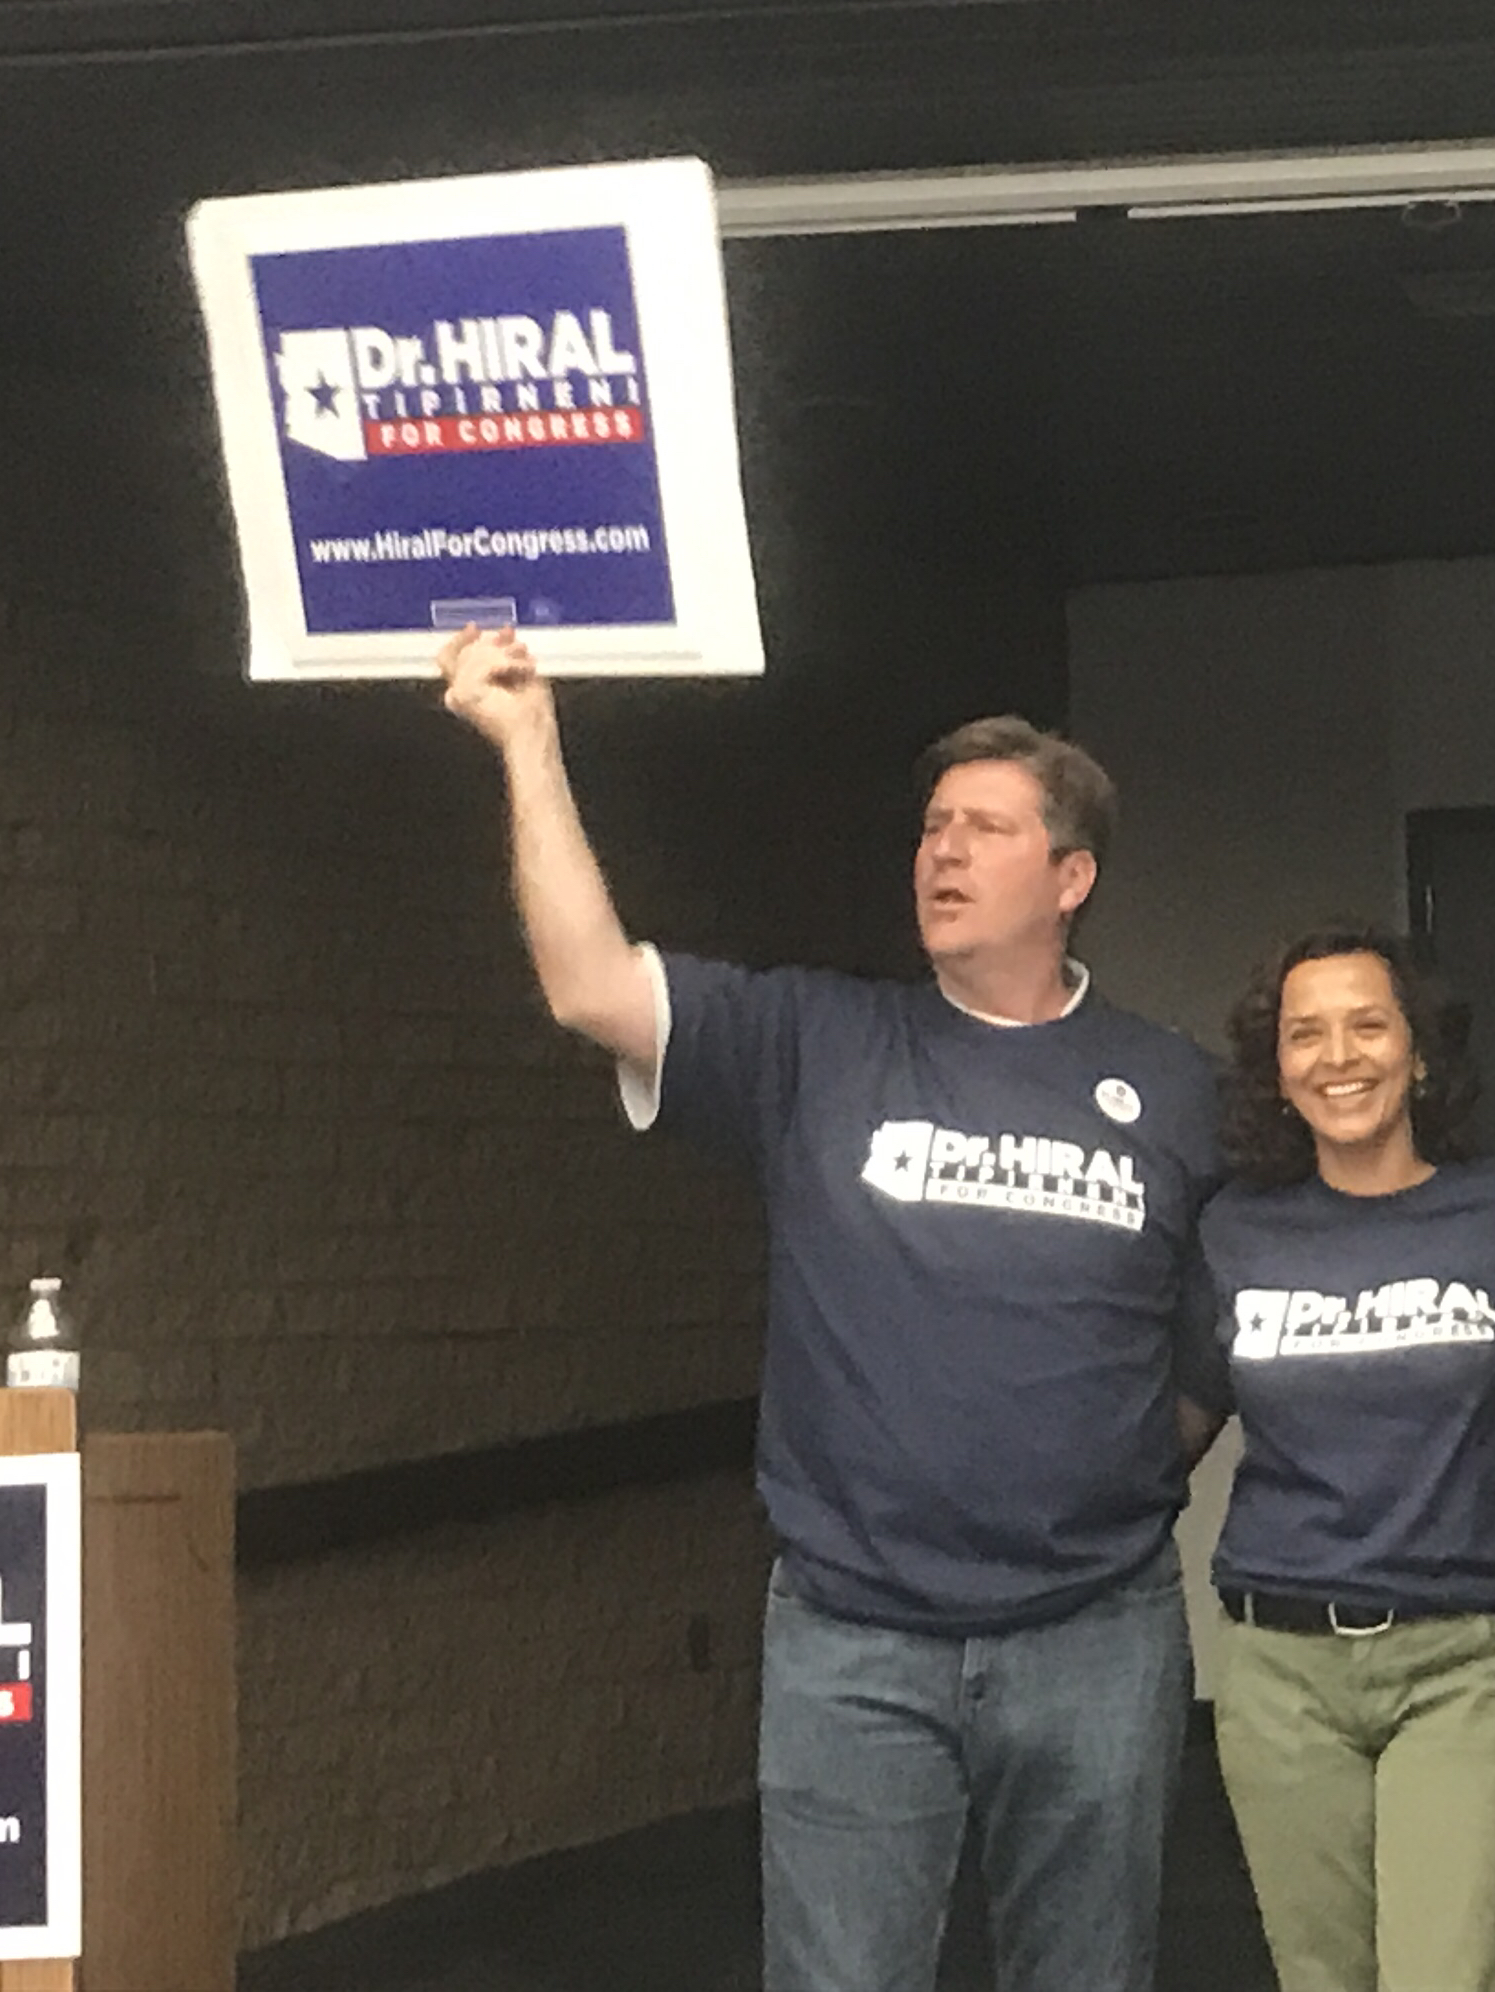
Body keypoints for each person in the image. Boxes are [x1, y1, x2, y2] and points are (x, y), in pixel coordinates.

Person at [435, 627, 1217, 1992]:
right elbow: (590, 984)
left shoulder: (1174, 1089)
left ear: (1071, 877)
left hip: (1097, 1634)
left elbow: (1218, 1336)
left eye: (985, 828)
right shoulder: (819, 1043)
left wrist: (1117, 1467)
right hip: (855, 1639)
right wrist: (528, 745)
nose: (943, 853)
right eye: (931, 828)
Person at [1187, 928, 1495, 1992]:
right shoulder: (1234, 1230)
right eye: (1305, 1034)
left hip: (1463, 1662)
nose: (1339, 1055)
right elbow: (1174, 1429)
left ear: (1420, 1054)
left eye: (1368, 1024)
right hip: (1279, 1670)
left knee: (1447, 1977)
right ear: (1277, 1070)